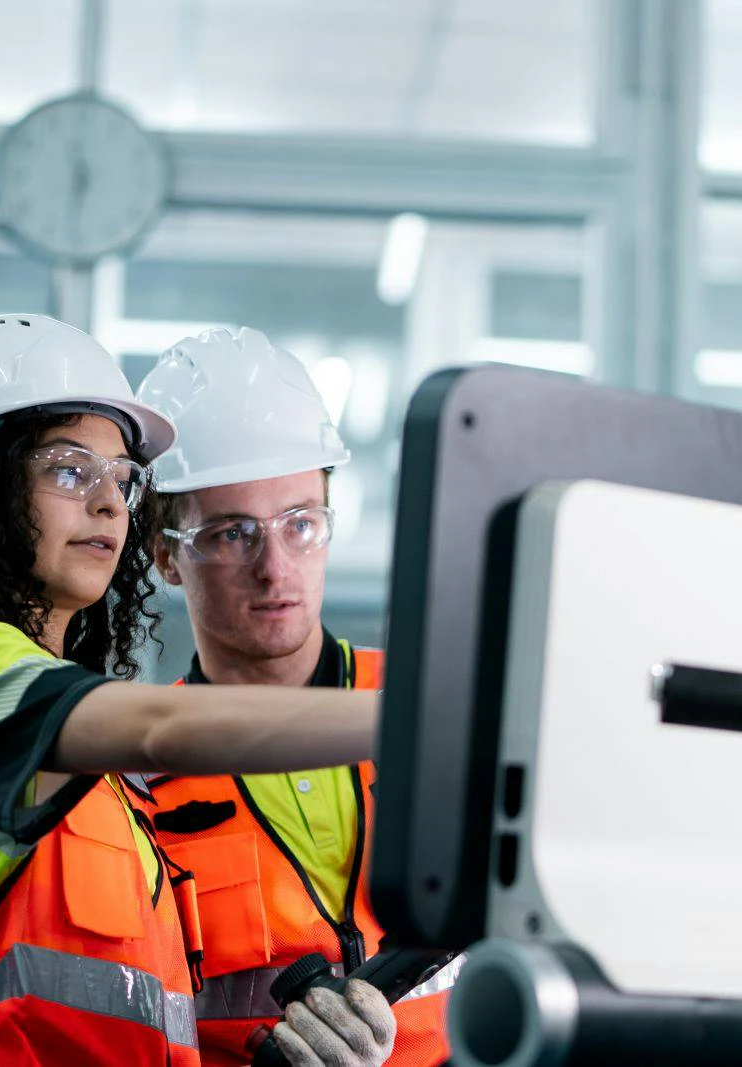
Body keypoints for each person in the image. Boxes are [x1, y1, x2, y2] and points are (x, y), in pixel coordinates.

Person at [0, 315, 396, 1067]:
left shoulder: (109, 792)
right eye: (67, 469)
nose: (109, 503)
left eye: (121, 477)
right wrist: (426, 720)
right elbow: (158, 725)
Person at [133, 328, 456, 1067]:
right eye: (231, 533)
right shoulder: (136, 782)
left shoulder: (431, 707)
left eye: (300, 524)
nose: (275, 568)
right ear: (164, 555)